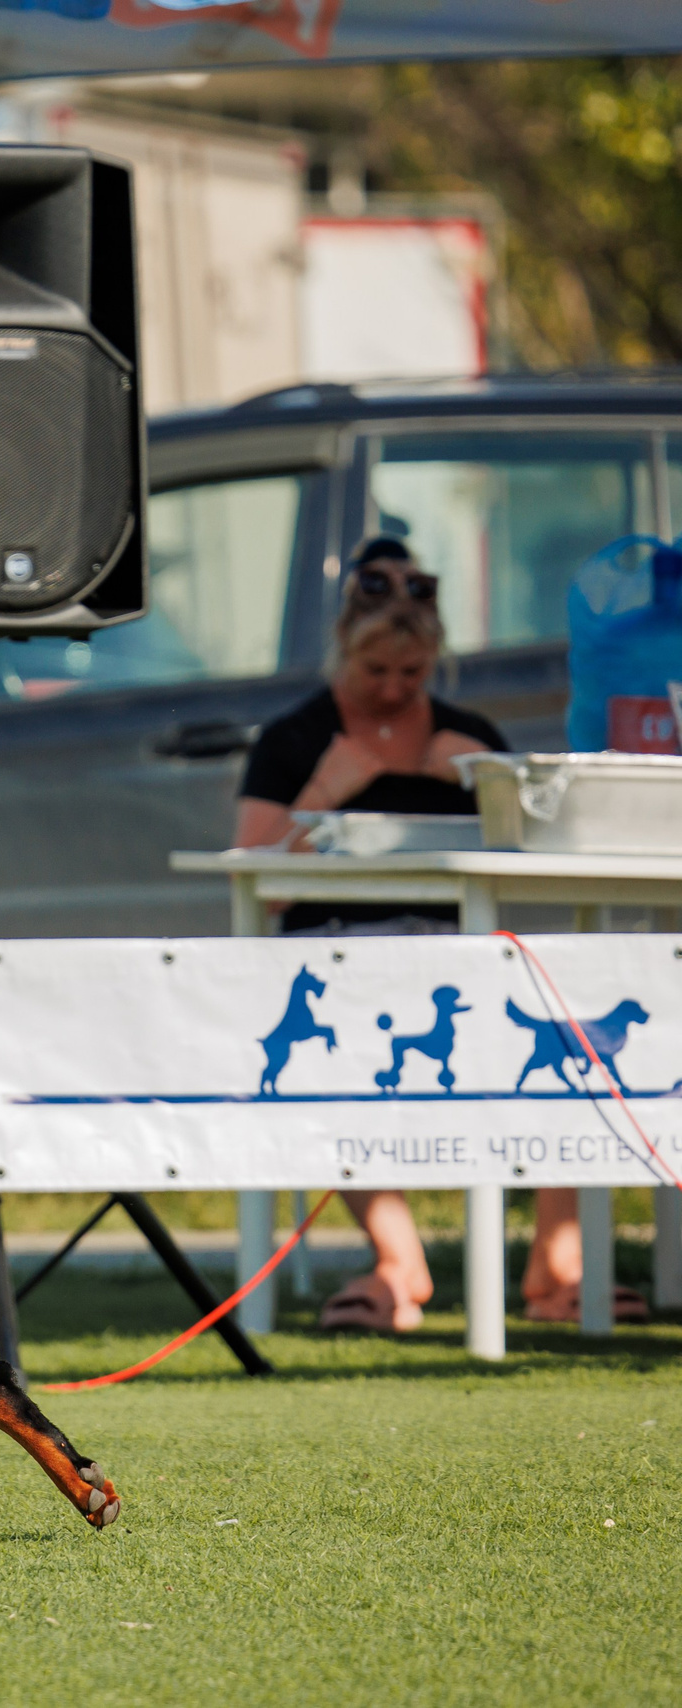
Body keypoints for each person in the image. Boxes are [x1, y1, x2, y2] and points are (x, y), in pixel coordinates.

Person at [235, 539, 643, 1328]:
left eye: (410, 675)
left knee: (578, 1047)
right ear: (344, 654)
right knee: (332, 1060)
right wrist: (330, 787)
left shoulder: (467, 734)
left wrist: (494, 782)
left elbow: (535, 863)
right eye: (374, 673)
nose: (392, 691)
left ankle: (558, 1270)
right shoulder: (295, 739)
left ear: (436, 663)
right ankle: (398, 1264)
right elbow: (257, 882)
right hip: (341, 959)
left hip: (459, 957)